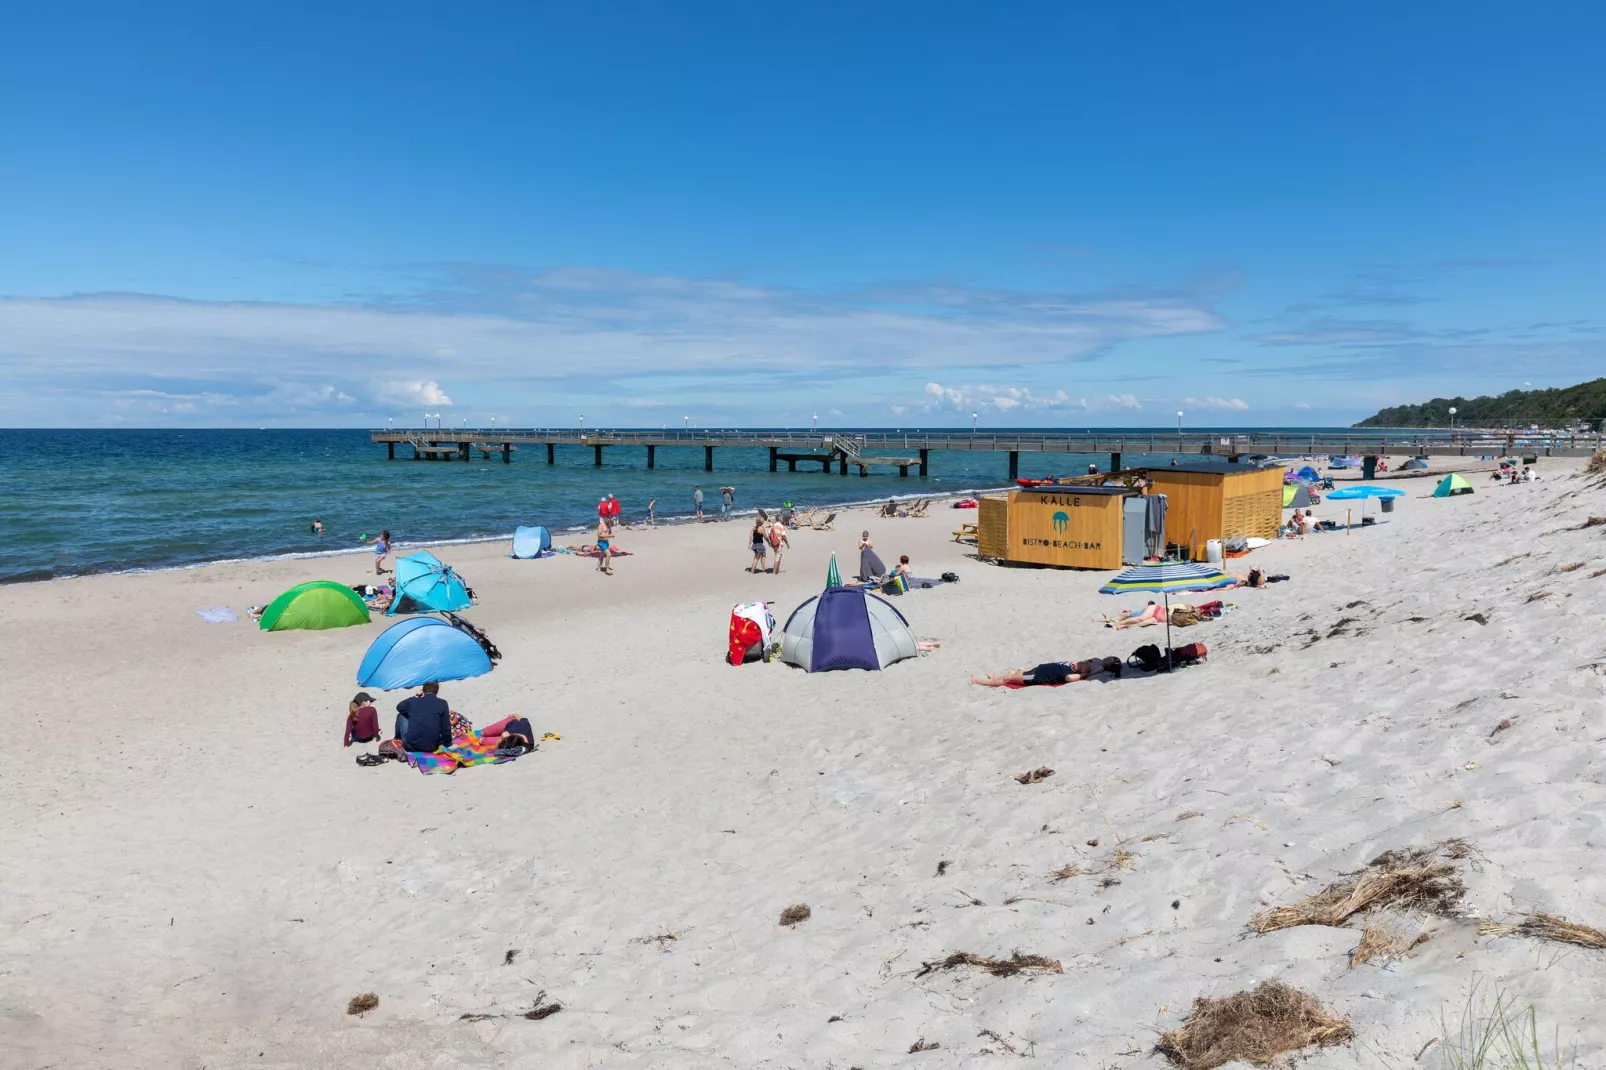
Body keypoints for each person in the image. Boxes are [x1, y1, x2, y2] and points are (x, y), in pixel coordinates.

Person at [970, 656, 1122, 688]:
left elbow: (1069, 678)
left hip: (1036, 676)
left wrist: (1081, 674)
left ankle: (982, 682)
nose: (1074, 664)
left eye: (1076, 665)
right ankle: (994, 680)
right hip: (1036, 670)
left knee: (1007, 679)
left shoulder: (1080, 671)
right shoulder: (1093, 662)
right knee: (1015, 673)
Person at [395, 682, 452, 753]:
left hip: (411, 745)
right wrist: (448, 743)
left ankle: (397, 739)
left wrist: (415, 696)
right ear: (437, 691)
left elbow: (399, 707)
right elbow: (446, 727)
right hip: (432, 746)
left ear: (423, 691)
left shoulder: (414, 701)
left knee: (401, 715)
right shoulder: (443, 703)